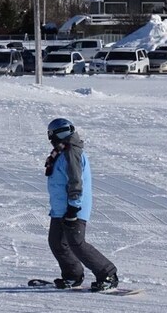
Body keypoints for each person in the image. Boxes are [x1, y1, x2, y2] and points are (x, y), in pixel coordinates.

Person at [44, 117, 118, 291]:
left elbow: (76, 182)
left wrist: (73, 207)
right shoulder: (61, 153)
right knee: (56, 242)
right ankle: (73, 275)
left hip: (73, 208)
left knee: (76, 242)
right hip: (60, 209)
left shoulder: (72, 153)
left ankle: (108, 274)